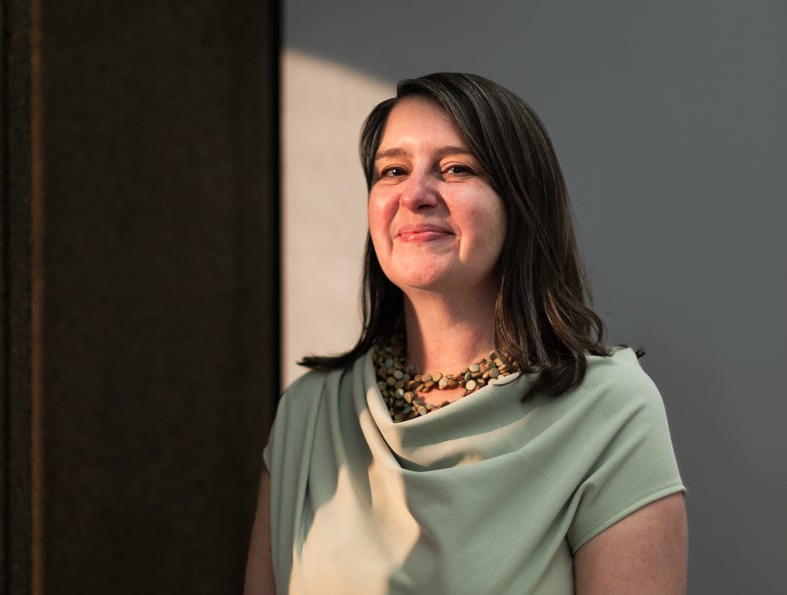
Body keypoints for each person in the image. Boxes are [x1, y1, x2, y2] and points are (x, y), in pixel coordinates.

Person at [244, 73, 687, 595]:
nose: (414, 194)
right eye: (393, 170)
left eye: (456, 168)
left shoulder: (612, 409)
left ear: (520, 204)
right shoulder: (308, 411)